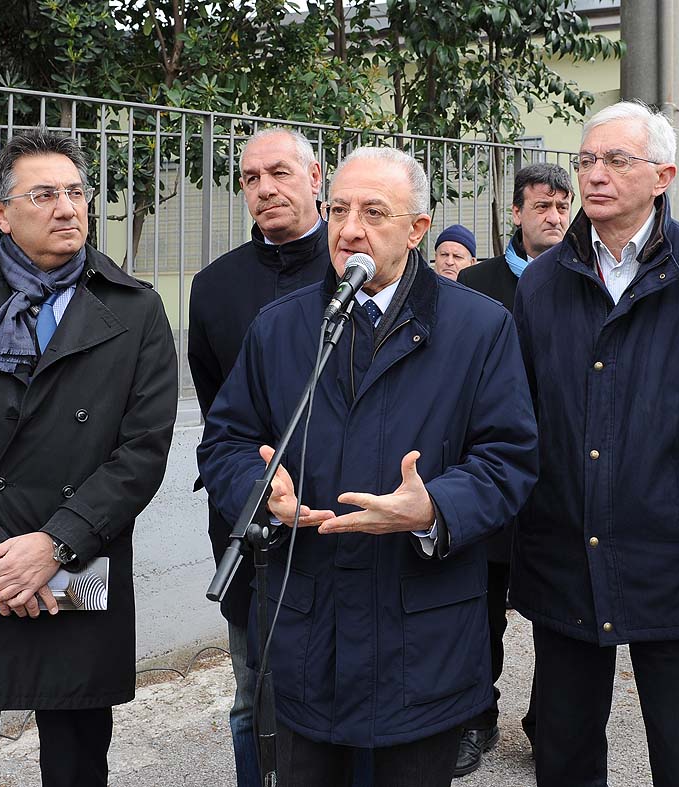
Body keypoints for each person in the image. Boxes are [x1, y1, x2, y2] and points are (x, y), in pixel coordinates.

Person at [197, 146, 538, 786]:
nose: (350, 228)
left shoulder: (480, 327)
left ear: (416, 230)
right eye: (339, 210)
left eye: (374, 212)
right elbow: (226, 442)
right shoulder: (281, 327)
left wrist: (434, 506)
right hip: (305, 644)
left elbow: (510, 460)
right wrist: (258, 486)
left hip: (422, 647)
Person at [0, 128, 178, 787]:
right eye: (44, 193)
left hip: (78, 561)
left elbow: (141, 452)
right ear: (0, 212)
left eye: (76, 192)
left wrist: (54, 545)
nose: (68, 207)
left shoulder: (135, 311)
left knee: (76, 762)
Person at [509, 101, 679, 787]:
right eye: (585, 160)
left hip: (677, 556)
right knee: (562, 750)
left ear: (662, 175)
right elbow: (522, 413)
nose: (594, 175)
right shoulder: (538, 284)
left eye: (615, 160)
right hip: (562, 547)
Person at [187, 126, 331, 787]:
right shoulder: (215, 288)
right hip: (255, 538)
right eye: (251, 178)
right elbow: (220, 420)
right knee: (254, 700)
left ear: (315, 176)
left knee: (353, 699)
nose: (265, 188)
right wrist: (251, 489)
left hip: (349, 525)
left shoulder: (360, 259)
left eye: (279, 171)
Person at [453, 161, 572, 776]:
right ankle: (477, 717)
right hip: (492, 472)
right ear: (517, 213)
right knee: (482, 608)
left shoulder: (580, 276)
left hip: (559, 478)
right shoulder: (475, 283)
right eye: (543, 206)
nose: (555, 217)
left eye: (562, 206)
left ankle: (548, 722)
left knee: (559, 611)